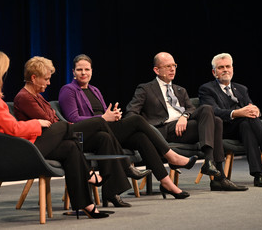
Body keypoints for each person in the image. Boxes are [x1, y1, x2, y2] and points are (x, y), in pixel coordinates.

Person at [0, 47, 108, 219]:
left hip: (9, 148)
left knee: (70, 147)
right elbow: (13, 129)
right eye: (2, 70)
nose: (3, 74)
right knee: (65, 127)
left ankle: (86, 204)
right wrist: (36, 124)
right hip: (10, 154)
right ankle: (89, 173)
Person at [14, 56, 151, 207]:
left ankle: (111, 192)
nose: (49, 82)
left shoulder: (37, 96)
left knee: (103, 137)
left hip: (61, 133)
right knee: (100, 121)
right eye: (46, 79)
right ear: (34, 78)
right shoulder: (24, 98)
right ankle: (125, 165)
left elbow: (53, 120)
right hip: (50, 141)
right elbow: (50, 124)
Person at [59, 54, 199, 200]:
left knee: (141, 137)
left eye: (87, 69)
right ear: (73, 72)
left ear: (92, 71)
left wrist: (114, 116)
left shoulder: (94, 90)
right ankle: (170, 156)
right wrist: (103, 118)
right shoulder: (68, 90)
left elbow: (104, 113)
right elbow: (73, 119)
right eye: (79, 70)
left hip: (106, 129)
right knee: (136, 120)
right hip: (87, 135)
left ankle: (167, 183)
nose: (83, 73)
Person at [126, 52, 248, 191]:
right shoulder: (146, 89)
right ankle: (218, 177)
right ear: (157, 70)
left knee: (214, 117)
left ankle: (211, 166)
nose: (172, 69)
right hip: (163, 130)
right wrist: (147, 129)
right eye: (167, 66)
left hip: (183, 128)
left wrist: (184, 116)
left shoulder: (180, 90)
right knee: (215, 121)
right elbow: (131, 112)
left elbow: (190, 108)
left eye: (174, 66)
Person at [198, 52, 262, 187]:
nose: (225, 70)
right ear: (214, 72)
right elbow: (213, 111)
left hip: (243, 128)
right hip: (222, 129)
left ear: (232, 69)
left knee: (248, 123)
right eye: (221, 67)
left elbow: (250, 107)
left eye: (228, 66)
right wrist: (237, 112)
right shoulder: (207, 89)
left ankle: (258, 175)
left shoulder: (241, 88)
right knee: (247, 120)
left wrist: (256, 111)